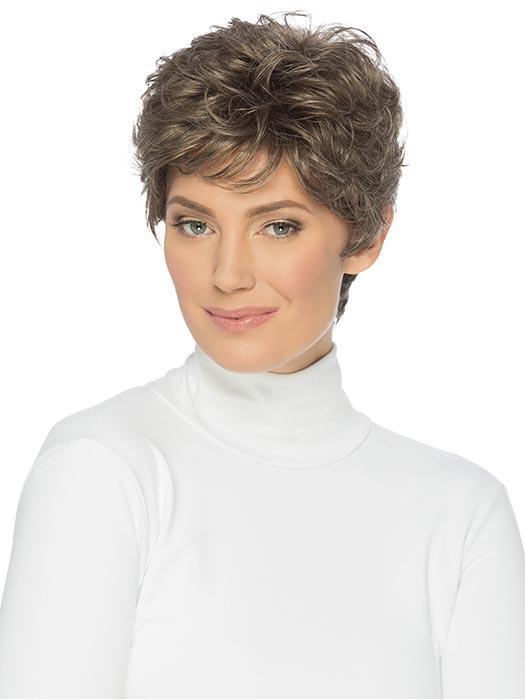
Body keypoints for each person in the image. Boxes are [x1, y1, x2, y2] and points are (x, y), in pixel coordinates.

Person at [0, 11, 524, 698]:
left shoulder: (461, 513)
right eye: (194, 224)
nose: (227, 274)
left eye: (277, 226)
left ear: (366, 236)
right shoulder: (105, 467)